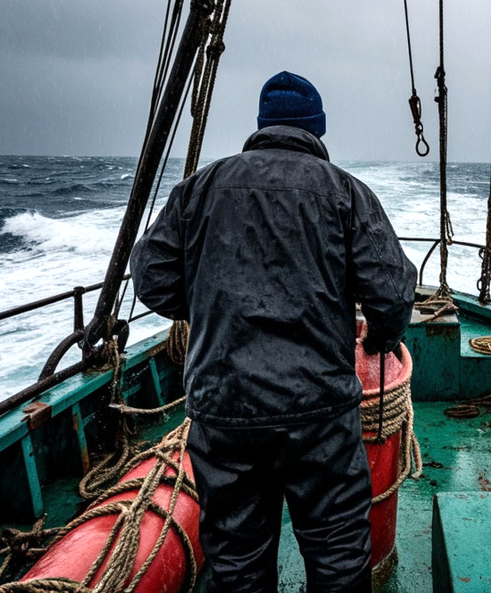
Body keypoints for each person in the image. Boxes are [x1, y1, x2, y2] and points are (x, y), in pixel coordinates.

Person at [130, 70, 417, 592]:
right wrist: (377, 338)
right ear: (317, 129)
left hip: (225, 408)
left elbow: (150, 274)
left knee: (237, 559)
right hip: (319, 413)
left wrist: (205, 310)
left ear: (262, 125)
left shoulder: (200, 189)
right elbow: (394, 293)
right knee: (335, 551)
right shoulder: (345, 193)